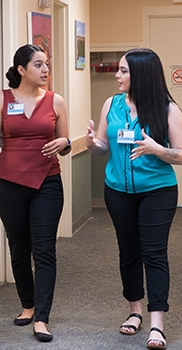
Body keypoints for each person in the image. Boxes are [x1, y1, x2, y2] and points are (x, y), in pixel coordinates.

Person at [86, 48, 182, 350]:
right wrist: (93, 143)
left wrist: (157, 149)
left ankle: (157, 324)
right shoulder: (111, 104)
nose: (117, 75)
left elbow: (180, 155)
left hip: (157, 191)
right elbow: (102, 146)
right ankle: (134, 312)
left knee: (154, 253)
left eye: (124, 70)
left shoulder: (167, 109)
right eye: (119, 69)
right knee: (128, 251)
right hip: (117, 191)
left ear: (141, 74)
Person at [0, 44, 70, 342]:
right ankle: (28, 305)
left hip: (47, 182)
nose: (45, 70)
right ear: (21, 70)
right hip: (9, 183)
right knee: (19, 247)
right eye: (38, 65)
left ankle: (42, 317)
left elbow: (66, 142)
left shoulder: (56, 101)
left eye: (46, 64)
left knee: (45, 250)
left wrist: (65, 143)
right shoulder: (0, 100)